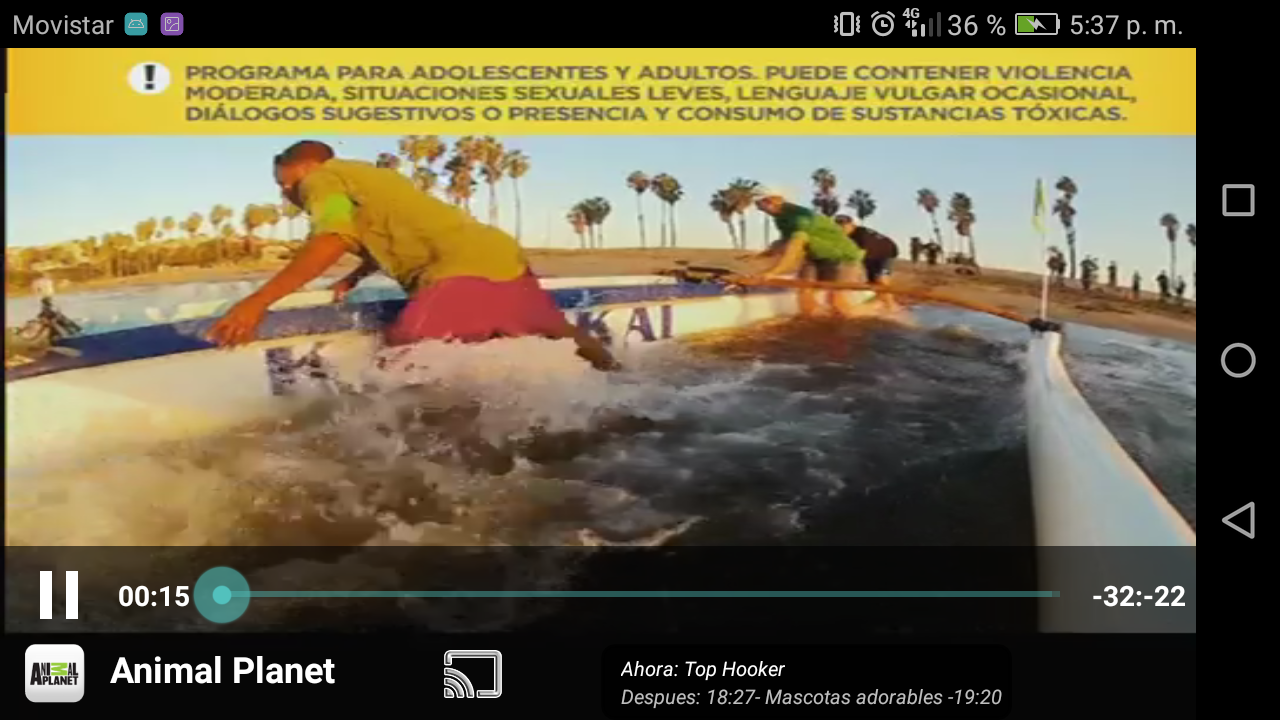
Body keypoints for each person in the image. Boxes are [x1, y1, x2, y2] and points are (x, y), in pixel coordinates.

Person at [206, 140, 618, 370]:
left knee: (400, 360)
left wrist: (256, 302)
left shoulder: (320, 181)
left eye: (285, 183)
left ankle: (428, 461)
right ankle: (624, 384)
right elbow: (398, 227)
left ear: (308, 167)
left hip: (459, 269)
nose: (286, 194)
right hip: (500, 255)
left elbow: (331, 237)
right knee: (559, 334)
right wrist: (355, 277)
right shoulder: (372, 177)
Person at [751, 188, 866, 317]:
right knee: (804, 293)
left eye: (759, 204)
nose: (758, 209)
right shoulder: (780, 218)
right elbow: (783, 242)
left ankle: (864, 318)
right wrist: (761, 255)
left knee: (835, 300)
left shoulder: (800, 217)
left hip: (842, 257)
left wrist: (775, 272)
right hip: (815, 255)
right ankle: (814, 321)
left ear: (773, 201)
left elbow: (796, 245)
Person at [835, 215, 900, 312]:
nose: (841, 229)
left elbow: (857, 258)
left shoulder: (861, 234)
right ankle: (878, 303)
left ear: (852, 224)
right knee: (872, 283)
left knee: (882, 279)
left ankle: (891, 305)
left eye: (844, 226)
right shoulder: (847, 237)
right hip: (871, 255)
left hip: (887, 252)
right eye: (838, 226)